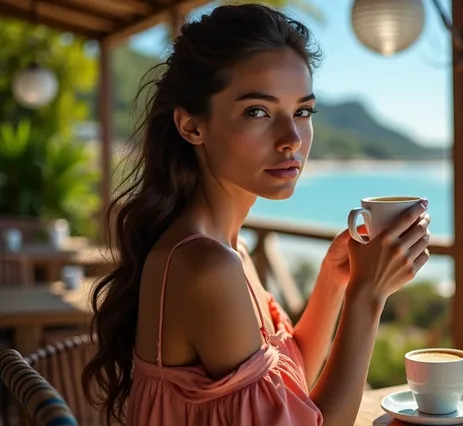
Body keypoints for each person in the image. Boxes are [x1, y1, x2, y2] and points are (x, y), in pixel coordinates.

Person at [81, 4, 431, 426]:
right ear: (192, 126)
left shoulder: (227, 248)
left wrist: (336, 280)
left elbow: (288, 377)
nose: (291, 140)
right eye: (258, 112)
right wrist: (368, 297)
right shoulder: (206, 266)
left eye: (302, 111)